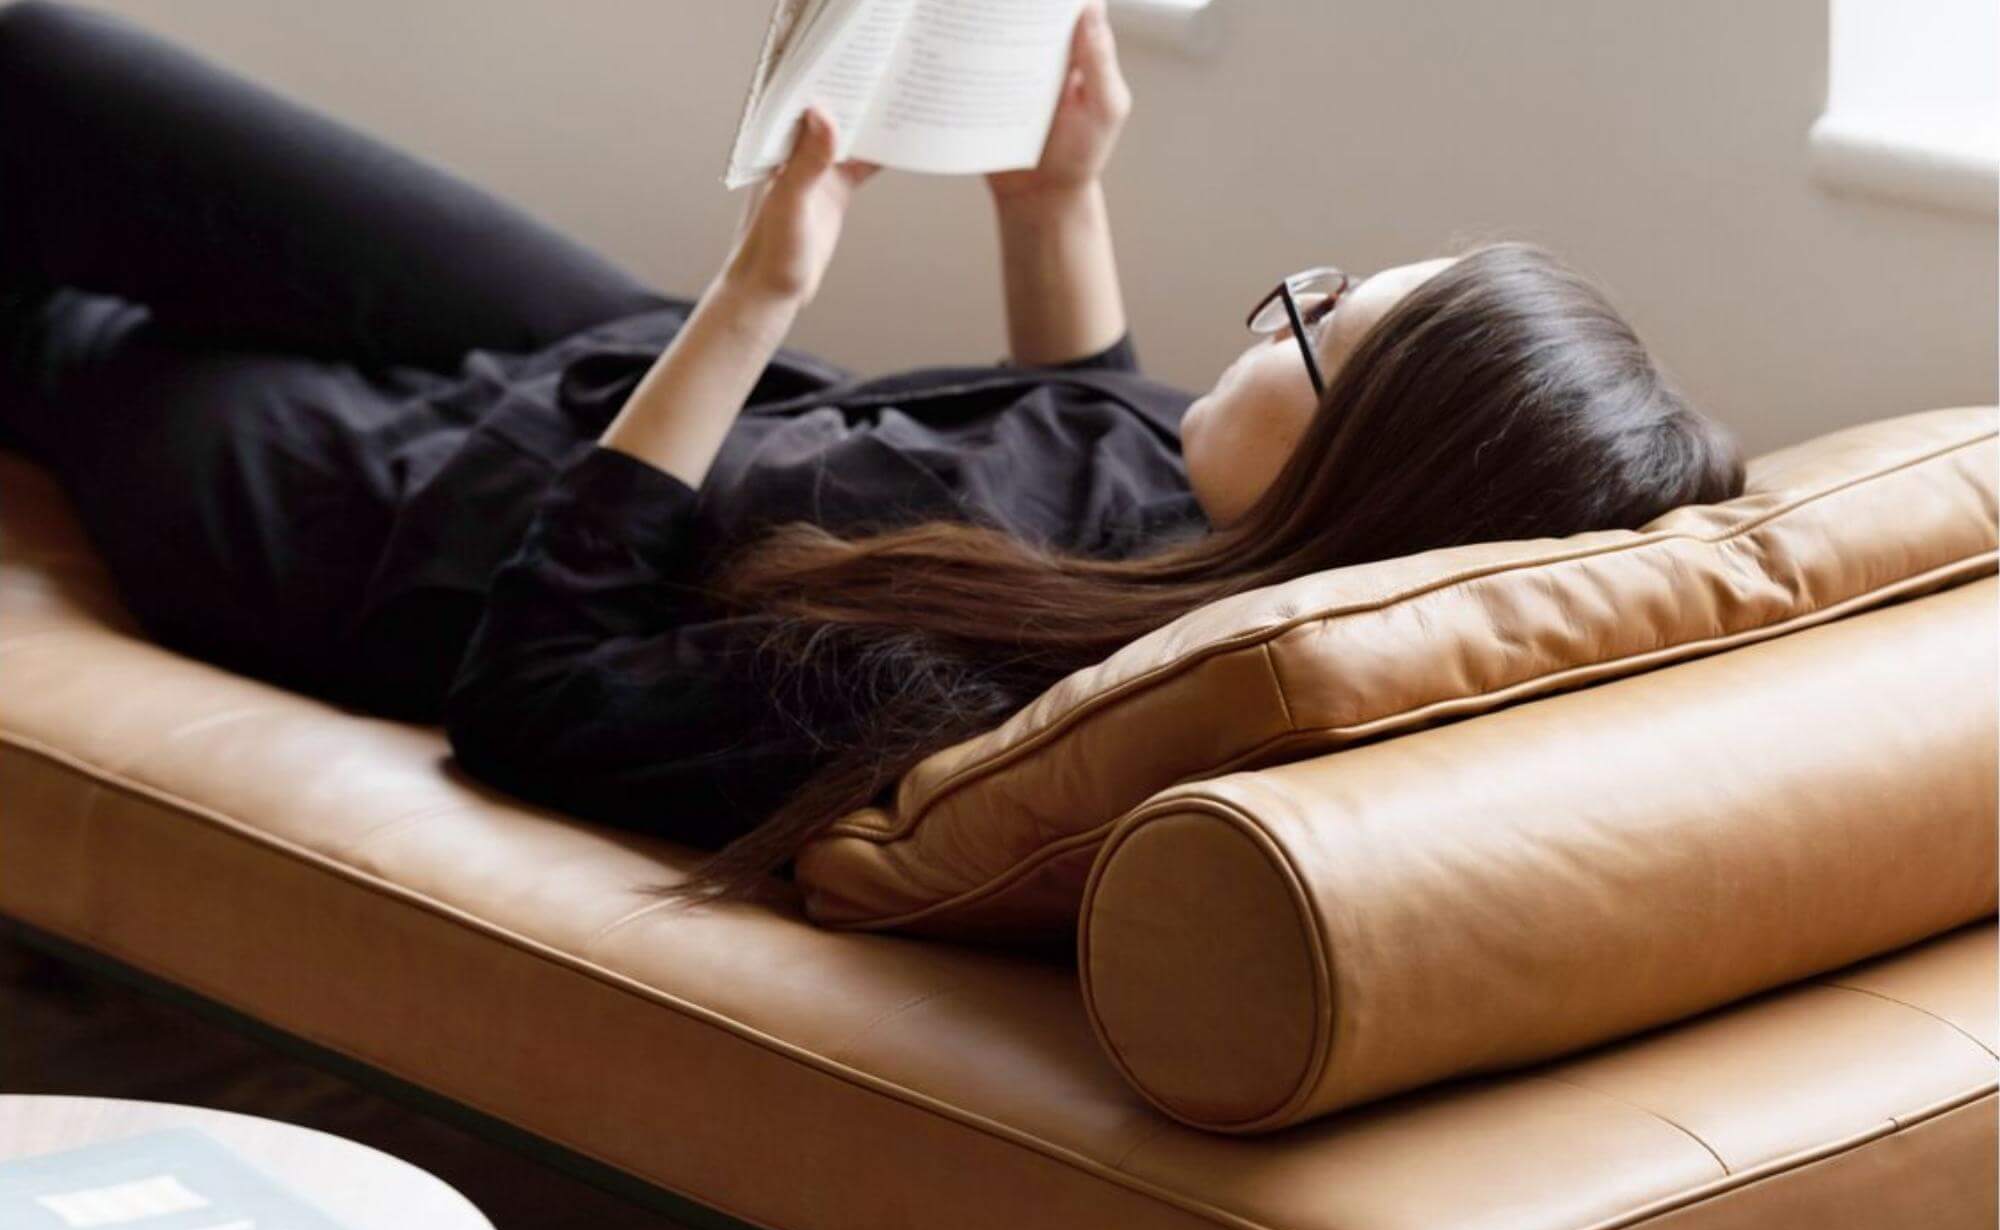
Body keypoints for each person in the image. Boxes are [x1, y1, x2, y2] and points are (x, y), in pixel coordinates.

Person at [0, 0, 1745, 913]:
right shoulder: (1208, 518)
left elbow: (528, 690)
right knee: (48, 66)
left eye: (1320, 328)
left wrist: (760, 298)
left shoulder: (953, 694)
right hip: (589, 343)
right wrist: (1053, 195)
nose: (1285, 299)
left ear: (1362, 489)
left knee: (62, 336)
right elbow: (1085, 431)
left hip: (393, 528)